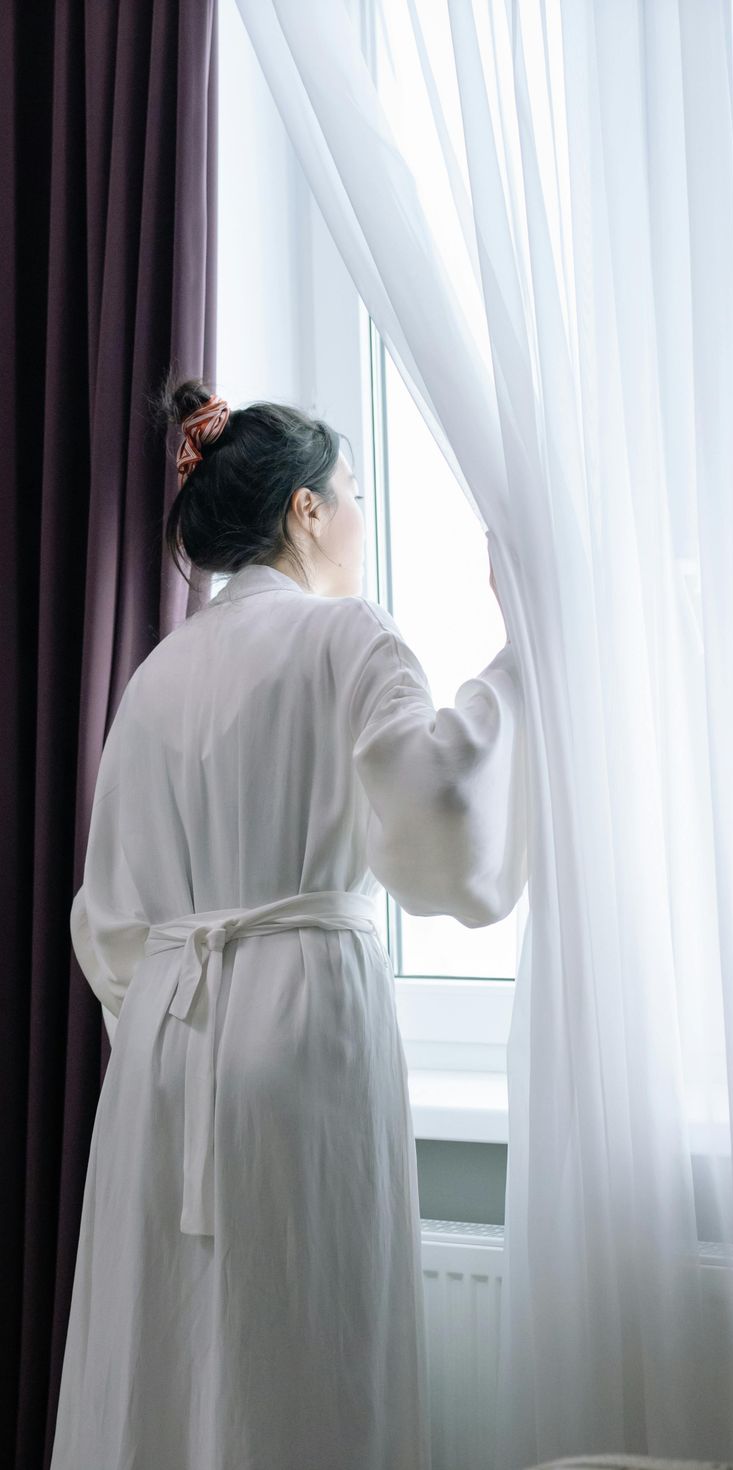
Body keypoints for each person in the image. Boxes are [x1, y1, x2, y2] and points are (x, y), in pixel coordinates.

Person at [50, 375, 529, 1470]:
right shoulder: (346, 639)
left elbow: (107, 916)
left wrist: (174, 1032)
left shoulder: (156, 672)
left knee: (166, 1355)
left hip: (165, 1056)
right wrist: (516, 670)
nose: (360, 512)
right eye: (351, 488)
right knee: (309, 1344)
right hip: (301, 1030)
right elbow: (441, 820)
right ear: (307, 510)